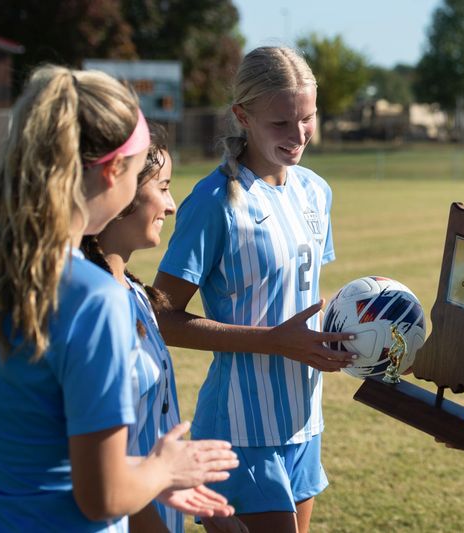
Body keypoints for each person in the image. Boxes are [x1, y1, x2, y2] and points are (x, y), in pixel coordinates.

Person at [0, 65, 239, 532]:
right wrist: (164, 467)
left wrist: (147, 478)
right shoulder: (92, 298)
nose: (168, 202)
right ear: (111, 173)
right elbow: (102, 497)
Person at [153, 47, 356, 533]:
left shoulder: (315, 191)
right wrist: (271, 341)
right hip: (241, 429)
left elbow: (298, 298)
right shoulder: (215, 200)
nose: (298, 135)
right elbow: (160, 317)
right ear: (243, 116)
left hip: (305, 421)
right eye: (280, 123)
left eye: (307, 118)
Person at [80, 123, 188, 532]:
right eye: (162, 187)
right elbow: (102, 463)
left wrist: (176, 487)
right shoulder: (95, 304)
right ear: (121, 187)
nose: (172, 204)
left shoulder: (137, 295)